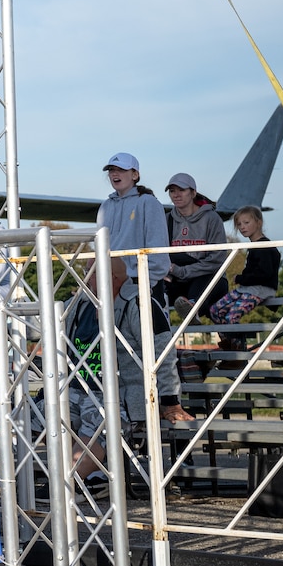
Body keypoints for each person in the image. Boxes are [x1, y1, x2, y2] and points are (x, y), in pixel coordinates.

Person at [96, 153, 187, 426]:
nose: (115, 174)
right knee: (126, 355)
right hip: (113, 287)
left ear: (135, 174)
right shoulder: (105, 207)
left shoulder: (149, 203)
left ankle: (171, 404)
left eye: (121, 169)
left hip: (143, 287)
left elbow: (159, 251)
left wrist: (145, 283)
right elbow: (100, 249)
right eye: (111, 169)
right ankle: (139, 419)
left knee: (160, 347)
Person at [158, 173, 226, 319]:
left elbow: (217, 260)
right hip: (178, 280)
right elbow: (159, 255)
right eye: (172, 191)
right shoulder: (166, 220)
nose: (176, 195)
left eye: (181, 190)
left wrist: (181, 271)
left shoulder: (212, 219)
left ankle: (192, 310)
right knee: (152, 286)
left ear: (193, 192)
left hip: (207, 278)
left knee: (208, 278)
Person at [210, 206, 283, 323]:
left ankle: (236, 340)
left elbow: (264, 273)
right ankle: (229, 339)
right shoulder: (253, 247)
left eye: (246, 222)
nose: (242, 227)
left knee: (232, 317)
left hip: (260, 289)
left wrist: (240, 278)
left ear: (259, 223)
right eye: (239, 224)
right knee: (215, 310)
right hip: (247, 288)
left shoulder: (264, 247)